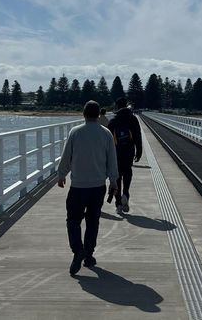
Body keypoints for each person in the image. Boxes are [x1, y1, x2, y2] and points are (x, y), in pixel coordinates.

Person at [57, 100, 119, 276]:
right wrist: (113, 181)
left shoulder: (75, 132)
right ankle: (88, 255)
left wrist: (61, 174)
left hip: (78, 186)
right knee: (93, 222)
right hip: (98, 186)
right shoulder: (106, 133)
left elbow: (67, 156)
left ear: (83, 114)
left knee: (73, 220)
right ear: (99, 114)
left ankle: (78, 250)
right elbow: (111, 160)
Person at [108, 96, 142, 214]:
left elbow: (108, 140)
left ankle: (118, 204)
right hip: (129, 151)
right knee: (127, 172)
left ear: (117, 106)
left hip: (116, 152)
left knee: (117, 176)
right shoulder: (133, 119)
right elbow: (138, 135)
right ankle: (126, 193)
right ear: (126, 105)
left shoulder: (113, 121)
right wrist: (139, 151)